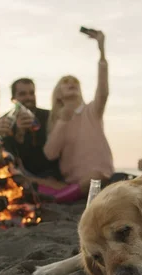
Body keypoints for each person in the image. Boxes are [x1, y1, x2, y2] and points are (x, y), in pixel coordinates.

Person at [43, 28, 113, 203]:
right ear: (58, 94)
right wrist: (63, 120)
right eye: (66, 82)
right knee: (92, 179)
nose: (71, 83)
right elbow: (50, 154)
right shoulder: (56, 120)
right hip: (76, 183)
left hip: (104, 176)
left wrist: (102, 50)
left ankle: (65, 198)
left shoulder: (92, 111)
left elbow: (103, 91)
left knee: (97, 177)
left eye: (75, 81)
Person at [0, 78, 66, 191]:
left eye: (31, 93)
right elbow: (10, 158)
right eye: (22, 94)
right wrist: (19, 133)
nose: (28, 97)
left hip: (53, 174)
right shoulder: (6, 123)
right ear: (13, 99)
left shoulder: (49, 117)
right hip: (23, 179)